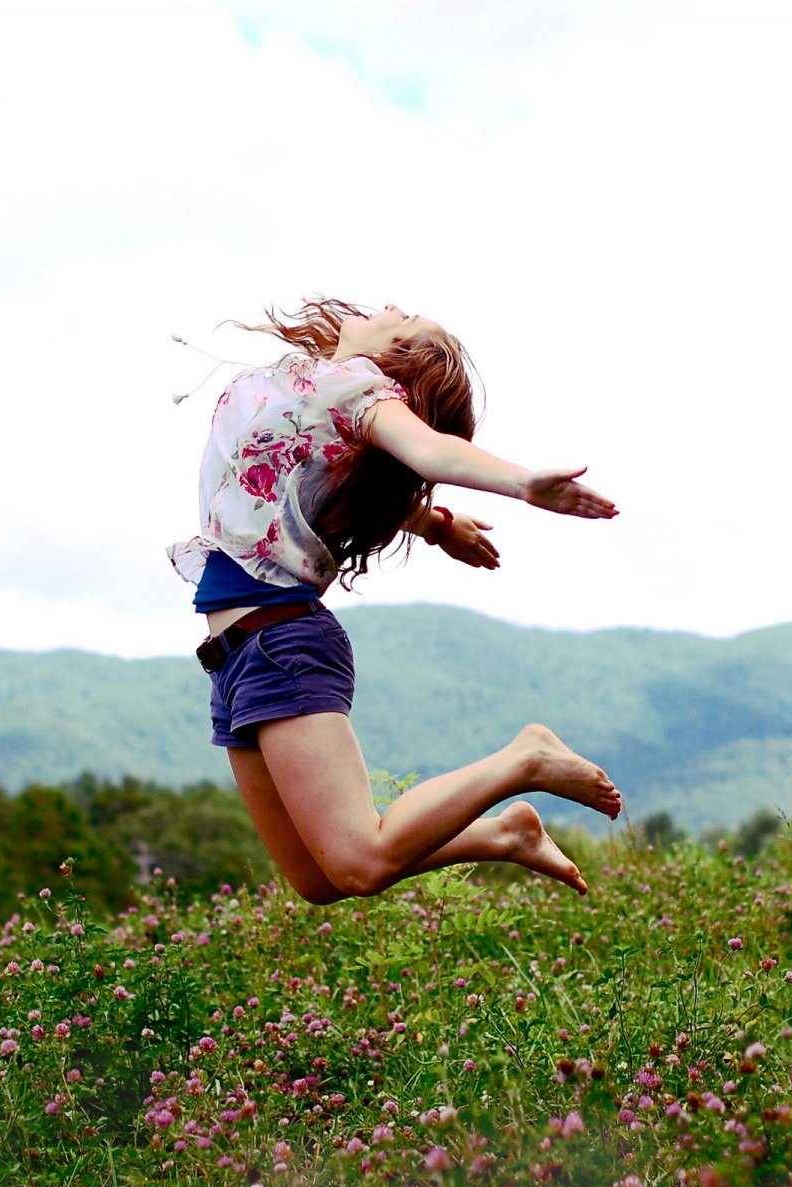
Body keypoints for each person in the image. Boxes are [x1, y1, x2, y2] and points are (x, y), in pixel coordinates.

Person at [167, 298, 623, 904]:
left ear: (393, 363)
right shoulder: (309, 388)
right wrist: (435, 525)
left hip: (280, 646)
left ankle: (525, 759)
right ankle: (505, 835)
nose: (389, 307)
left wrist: (522, 484)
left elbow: (429, 451)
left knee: (361, 863)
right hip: (233, 659)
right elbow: (315, 482)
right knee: (318, 880)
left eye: (406, 321)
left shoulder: (363, 391)